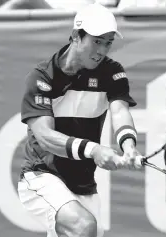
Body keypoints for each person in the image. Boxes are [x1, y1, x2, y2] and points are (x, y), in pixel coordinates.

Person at [17, 3, 142, 237]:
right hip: (42, 176)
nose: (102, 50)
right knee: (84, 227)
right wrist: (93, 150)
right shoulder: (42, 77)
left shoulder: (111, 72)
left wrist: (129, 146)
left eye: (108, 43)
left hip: (83, 183)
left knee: (87, 230)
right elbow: (45, 136)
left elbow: (120, 111)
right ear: (76, 36)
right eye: (97, 41)